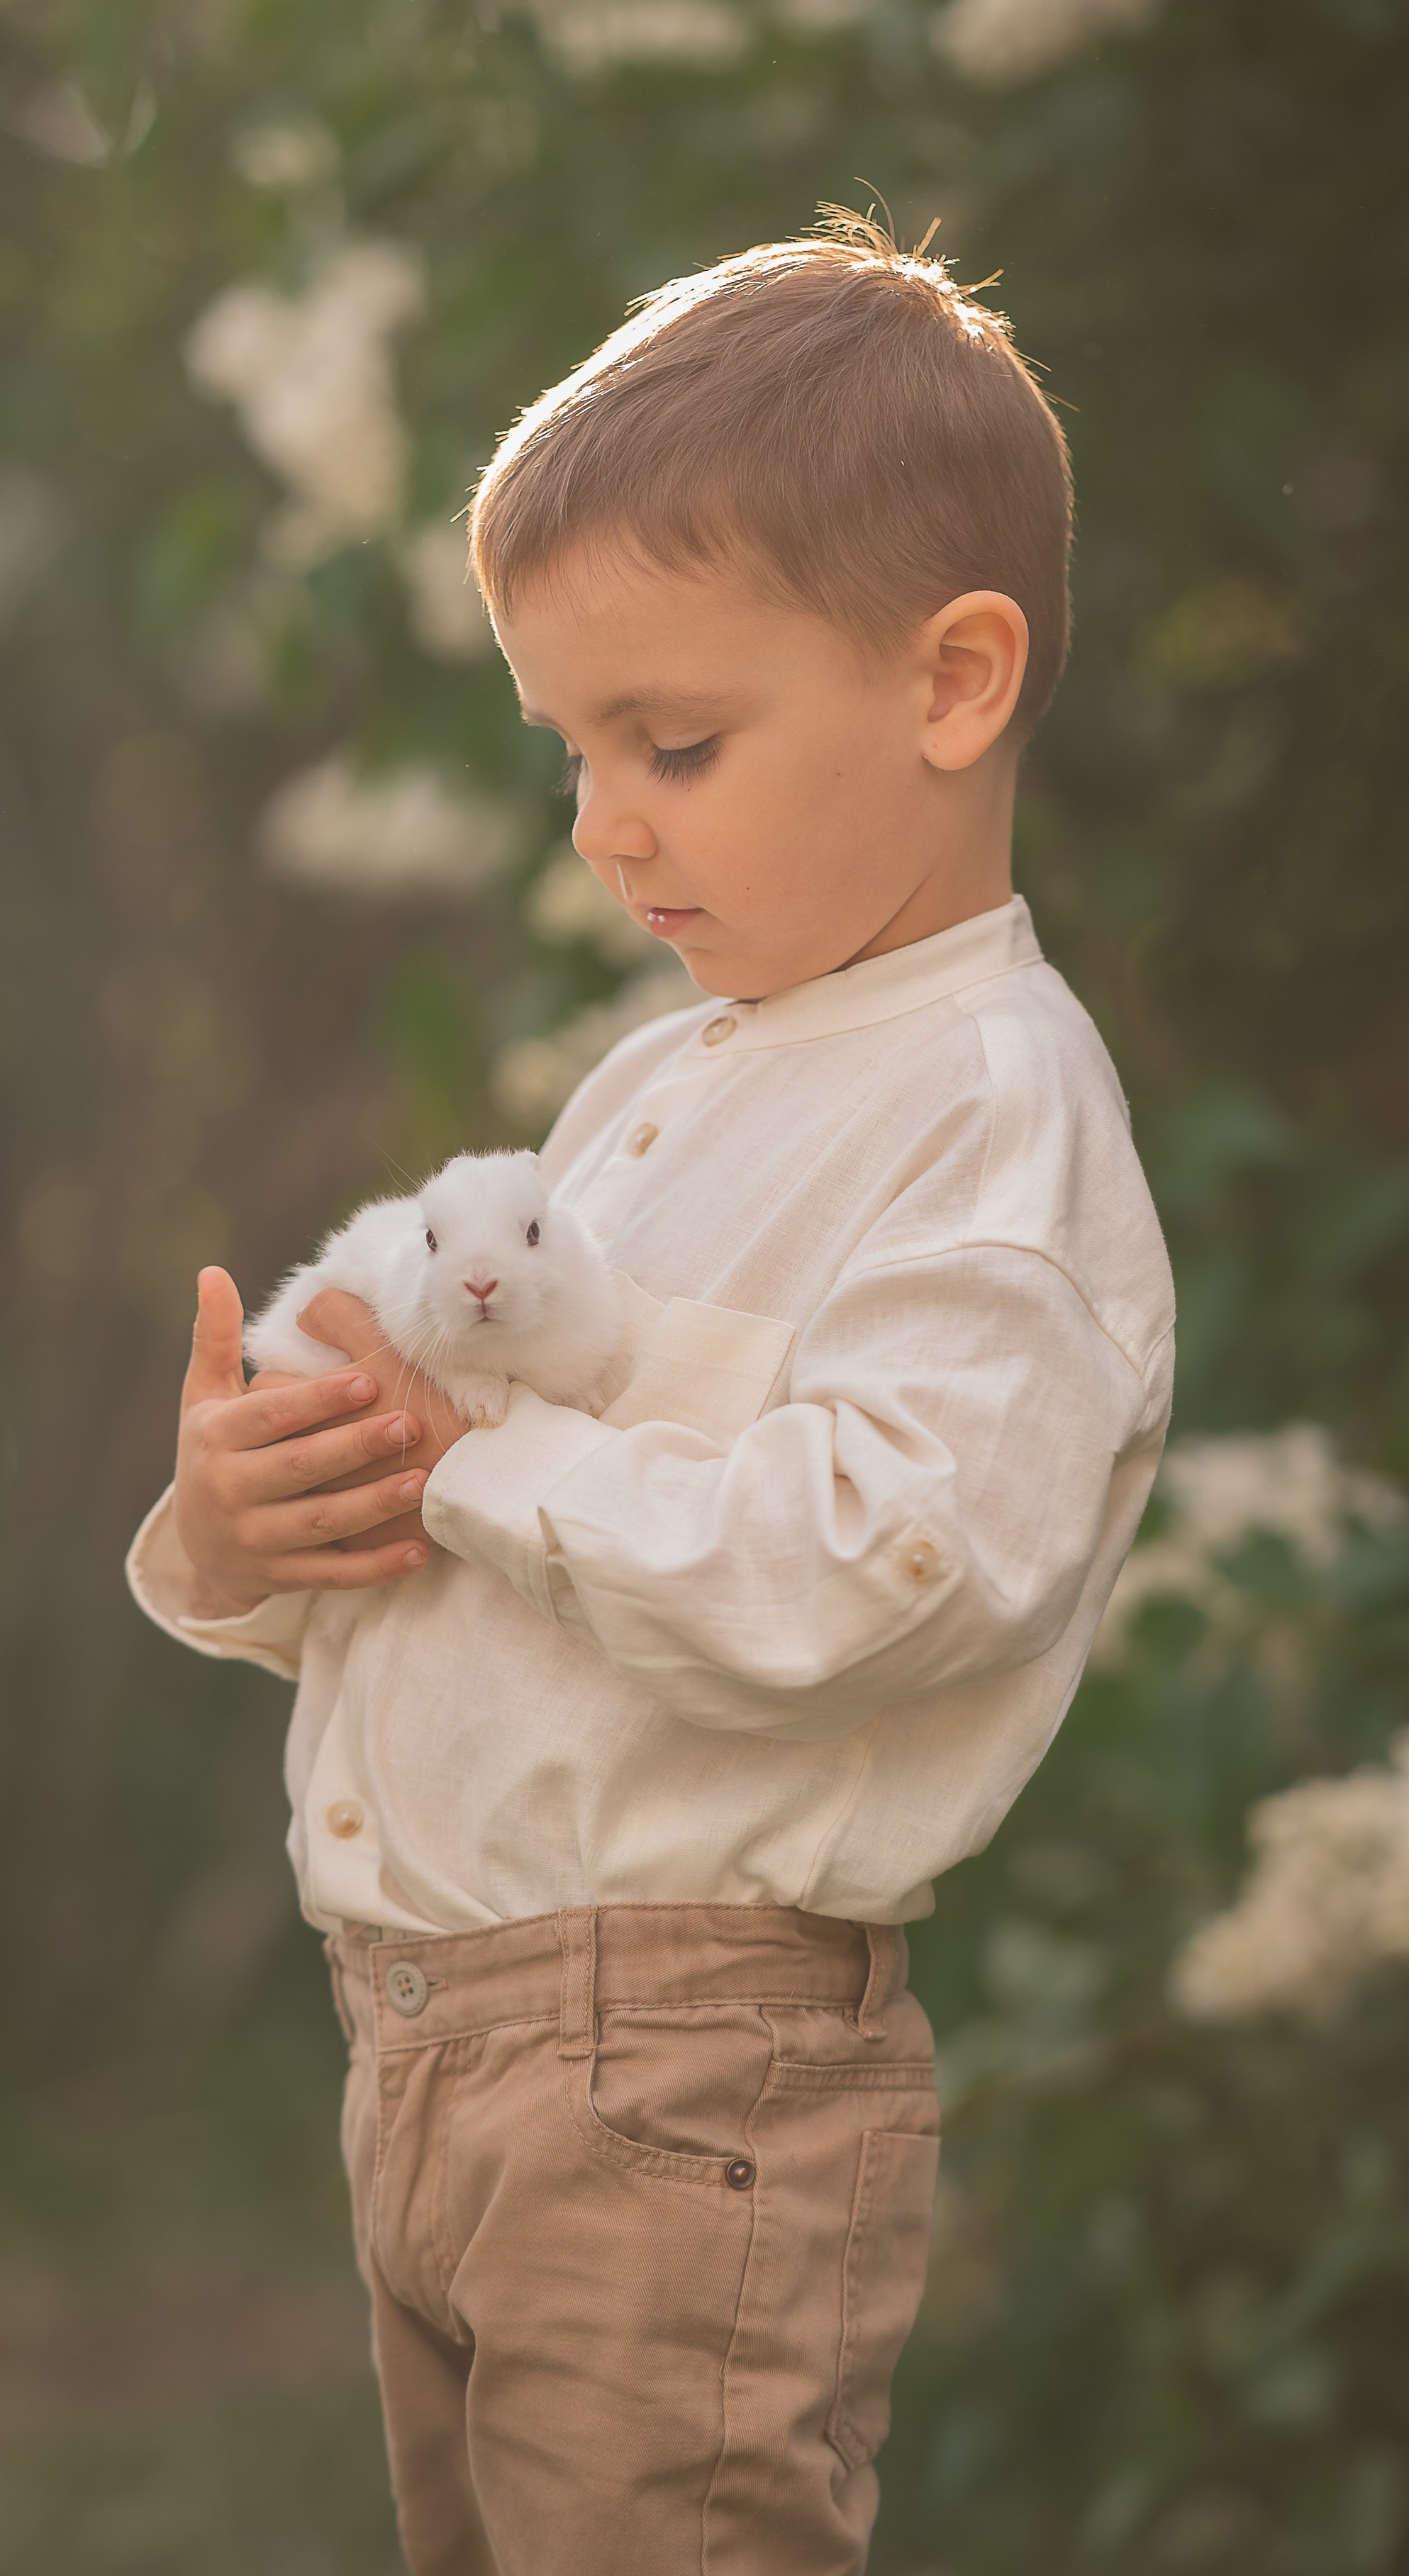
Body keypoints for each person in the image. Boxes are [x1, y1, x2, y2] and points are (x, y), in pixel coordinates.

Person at [128, 213, 1174, 2576]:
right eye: (572, 751)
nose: (603, 823)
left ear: (954, 680)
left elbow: (884, 1567)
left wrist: (492, 1462)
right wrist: (253, 1512)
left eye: (671, 743)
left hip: (686, 2079)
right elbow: (463, 1560)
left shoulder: (985, 1113)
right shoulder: (635, 1101)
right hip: (438, 2052)